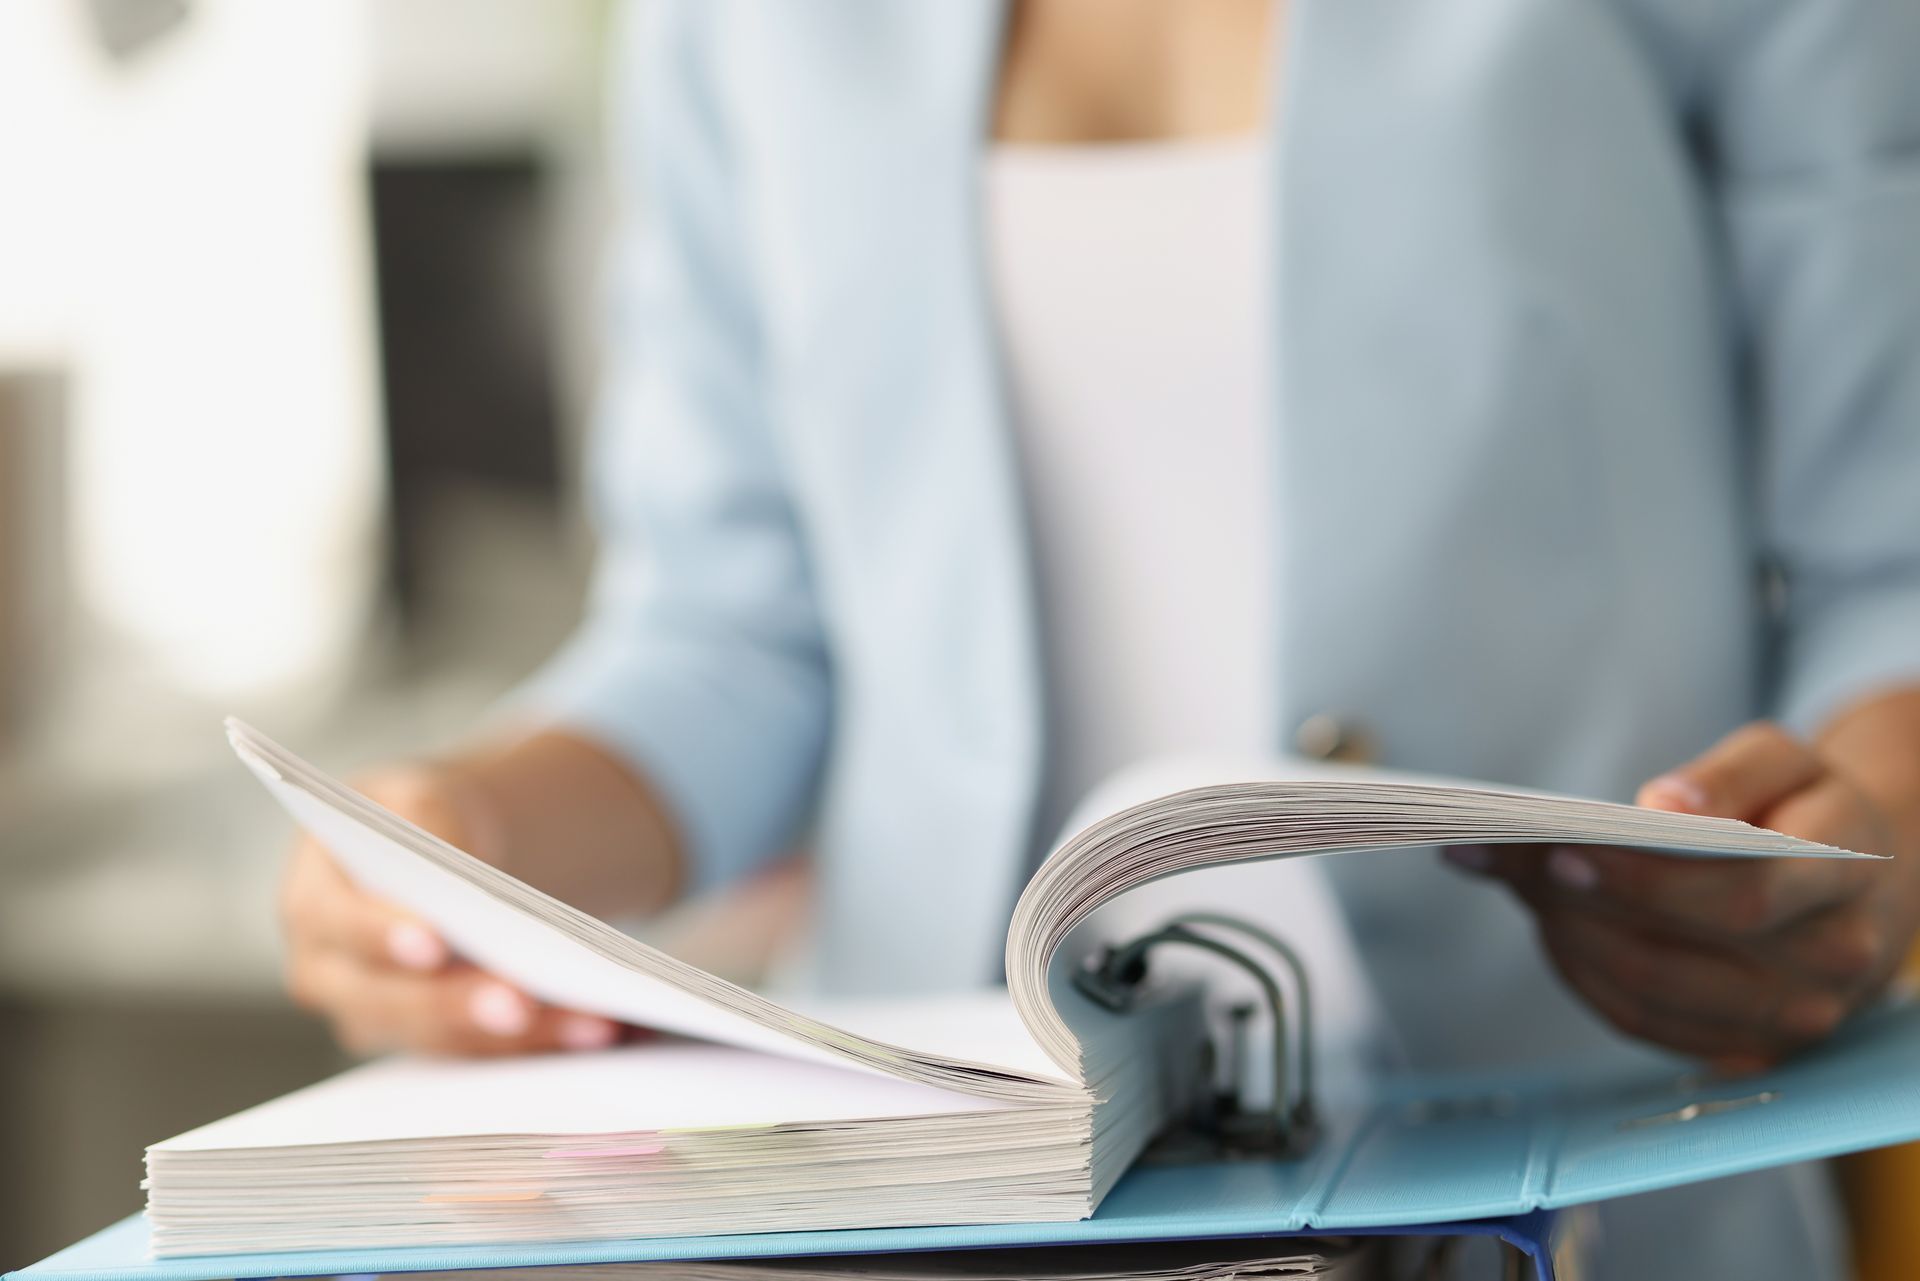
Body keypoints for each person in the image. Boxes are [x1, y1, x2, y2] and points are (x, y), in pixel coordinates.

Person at [277, 2, 1920, 1276]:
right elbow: (733, 628)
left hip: (1603, 1174)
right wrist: (469, 845)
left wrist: (1865, 841)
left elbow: (1889, 558)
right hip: (944, 1208)